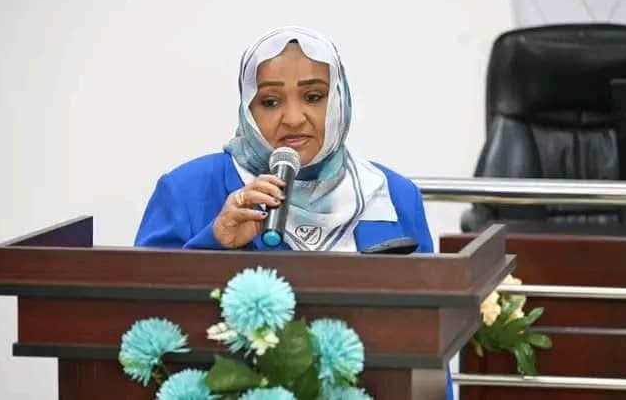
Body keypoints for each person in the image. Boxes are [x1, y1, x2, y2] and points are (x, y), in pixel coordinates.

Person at [135, 27, 453, 399]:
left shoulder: (390, 194)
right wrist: (215, 240)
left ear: (339, 100)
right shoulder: (186, 189)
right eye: (270, 102)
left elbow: (430, 342)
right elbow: (141, 327)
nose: (293, 118)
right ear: (247, 108)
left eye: (313, 97)